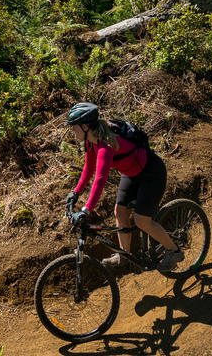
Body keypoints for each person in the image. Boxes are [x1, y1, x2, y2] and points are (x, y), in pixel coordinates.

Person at [65, 102, 184, 273]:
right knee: (119, 211)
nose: (72, 131)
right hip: (132, 173)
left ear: (85, 126)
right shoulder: (91, 142)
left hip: (151, 172)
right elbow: (88, 169)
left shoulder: (105, 144)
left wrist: (86, 209)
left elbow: (100, 178)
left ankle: (174, 251)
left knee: (142, 220)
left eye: (74, 127)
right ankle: (124, 256)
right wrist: (75, 193)